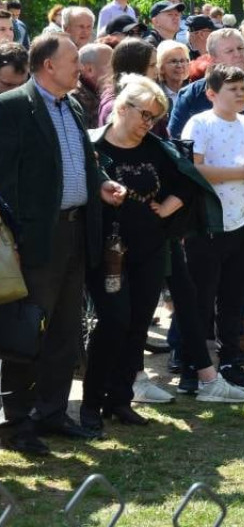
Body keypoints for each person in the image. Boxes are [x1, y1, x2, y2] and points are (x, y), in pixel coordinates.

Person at [0, 34, 128, 455]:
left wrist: (101, 184)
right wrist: (13, 238)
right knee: (26, 332)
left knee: (65, 330)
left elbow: (81, 162)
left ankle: (52, 412)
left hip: (76, 232)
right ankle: (18, 422)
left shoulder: (72, 105)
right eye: (74, 60)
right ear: (48, 66)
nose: (81, 67)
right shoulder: (13, 107)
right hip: (36, 239)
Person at [81, 75, 193, 430]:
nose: (148, 123)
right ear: (122, 108)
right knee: (113, 322)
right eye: (145, 114)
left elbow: (187, 182)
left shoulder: (157, 149)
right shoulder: (93, 147)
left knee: (137, 327)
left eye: (154, 117)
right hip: (107, 253)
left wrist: (168, 207)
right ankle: (91, 403)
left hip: (150, 251)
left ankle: (120, 401)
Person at [181, 64, 244, 393]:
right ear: (211, 93)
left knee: (234, 298)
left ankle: (231, 359)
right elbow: (192, 169)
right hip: (207, 225)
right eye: (232, 89)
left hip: (243, 222)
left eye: (243, 89)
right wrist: (238, 173)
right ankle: (190, 365)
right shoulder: (200, 123)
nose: (240, 94)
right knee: (201, 300)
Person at [98, 38, 159, 126]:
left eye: (156, 65)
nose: (157, 71)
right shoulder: (116, 107)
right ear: (136, 68)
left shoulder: (147, 99)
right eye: (152, 65)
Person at [71, 42, 113, 128]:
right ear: (90, 70)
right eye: (111, 66)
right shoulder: (75, 100)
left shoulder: (105, 93)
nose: (116, 71)